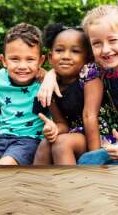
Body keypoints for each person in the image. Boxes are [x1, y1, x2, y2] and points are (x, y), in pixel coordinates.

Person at [38, 5, 118, 165]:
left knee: (88, 159)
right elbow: (67, 65)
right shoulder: (105, 67)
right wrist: (50, 74)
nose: (105, 49)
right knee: (46, 145)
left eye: (113, 40)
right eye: (97, 43)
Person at [0, 23, 48, 165]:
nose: (22, 66)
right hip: (0, 138)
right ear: (4, 60)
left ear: (41, 60)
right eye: (15, 59)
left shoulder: (45, 83)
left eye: (30, 59)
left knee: (5, 164)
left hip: (30, 140)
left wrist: (50, 75)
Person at [33, 23, 102, 165]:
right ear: (51, 57)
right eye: (59, 50)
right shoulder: (50, 86)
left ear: (87, 57)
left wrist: (95, 158)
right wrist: (54, 129)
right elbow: (62, 123)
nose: (66, 56)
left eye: (75, 51)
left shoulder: (89, 73)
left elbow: (90, 116)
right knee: (46, 143)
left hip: (99, 135)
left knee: (62, 143)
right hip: (75, 134)